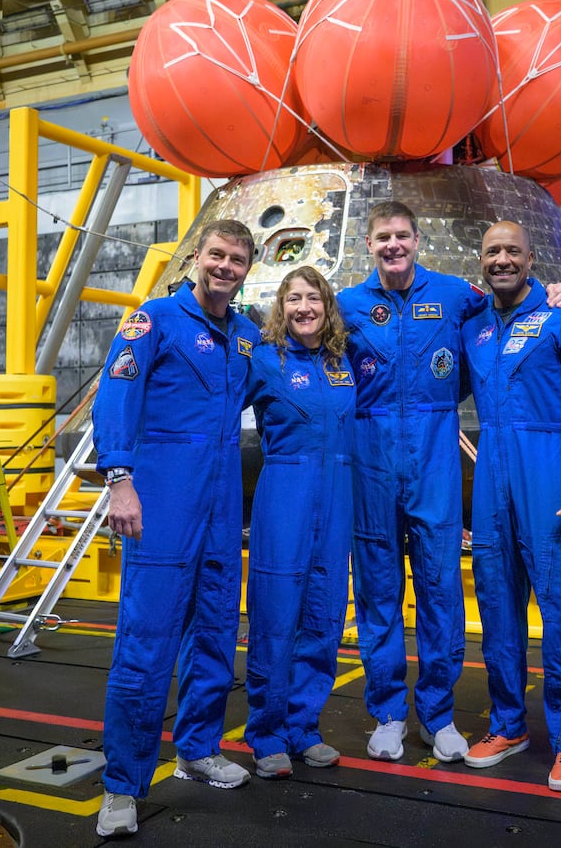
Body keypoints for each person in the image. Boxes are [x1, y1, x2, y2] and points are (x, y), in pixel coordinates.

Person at [336, 201, 561, 765]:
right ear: (369, 245)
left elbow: (512, 301)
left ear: (417, 240)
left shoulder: (456, 296)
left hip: (435, 458)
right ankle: (389, 713)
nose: (393, 245)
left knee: (441, 592)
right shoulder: (346, 306)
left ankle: (438, 715)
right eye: (382, 238)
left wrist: (558, 290)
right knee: (377, 593)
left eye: (402, 236)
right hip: (369, 459)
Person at [91, 219, 259, 838]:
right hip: (161, 494)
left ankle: (197, 749)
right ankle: (122, 785)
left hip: (220, 501)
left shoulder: (246, 335)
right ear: (197, 257)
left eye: (237, 260)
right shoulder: (153, 319)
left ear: (247, 269)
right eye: (217, 255)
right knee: (147, 642)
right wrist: (120, 479)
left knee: (215, 630)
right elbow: (116, 398)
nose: (225, 266)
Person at [459, 220, 561, 792]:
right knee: (496, 604)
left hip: (550, 468)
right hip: (494, 468)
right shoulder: (473, 325)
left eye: (512, 251)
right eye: (492, 252)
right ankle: (508, 725)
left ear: (530, 258)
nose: (501, 260)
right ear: (482, 261)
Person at [243, 266, 356, 779]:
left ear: (327, 305)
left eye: (314, 298)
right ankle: (266, 733)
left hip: (337, 494)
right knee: (275, 614)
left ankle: (303, 726)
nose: (304, 307)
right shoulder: (264, 359)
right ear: (280, 307)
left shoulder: (342, 360)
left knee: (325, 613)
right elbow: (212, 405)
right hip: (285, 491)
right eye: (294, 299)